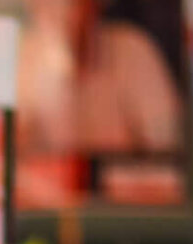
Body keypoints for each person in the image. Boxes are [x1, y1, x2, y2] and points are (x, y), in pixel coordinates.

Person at [16, 0, 183, 162]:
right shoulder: (21, 60)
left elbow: (170, 152)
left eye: (76, 4)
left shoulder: (133, 50)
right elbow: (7, 159)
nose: (66, 12)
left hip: (121, 187)